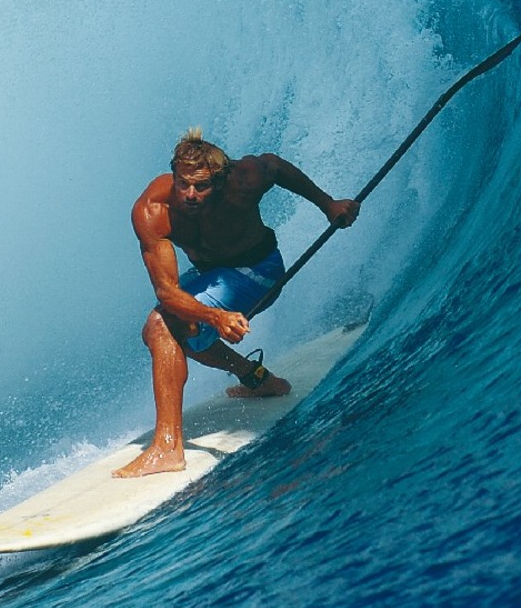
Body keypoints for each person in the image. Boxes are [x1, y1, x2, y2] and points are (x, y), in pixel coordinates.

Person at [113, 129, 359, 479]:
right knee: (166, 331)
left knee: (163, 326)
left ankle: (168, 447)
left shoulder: (243, 180)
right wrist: (215, 315)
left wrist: (328, 205)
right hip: (212, 276)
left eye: (202, 186)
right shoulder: (153, 210)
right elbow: (167, 293)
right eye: (184, 184)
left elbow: (275, 166)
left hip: (259, 272)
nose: (191, 195)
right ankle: (260, 380)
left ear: (221, 180)